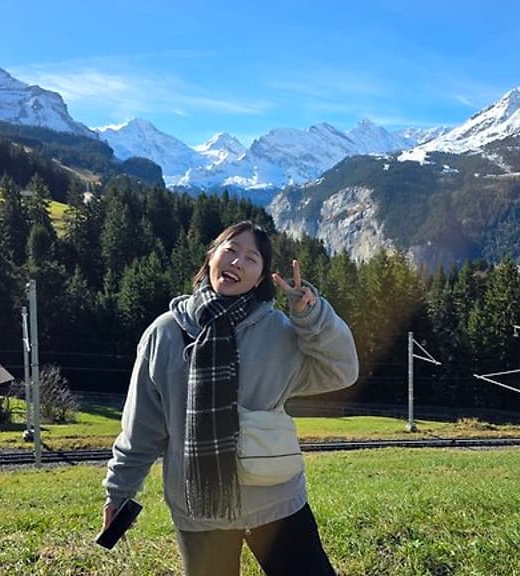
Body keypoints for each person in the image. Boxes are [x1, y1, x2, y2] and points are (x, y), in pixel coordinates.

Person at [102, 220, 359, 575]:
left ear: (261, 277)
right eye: (231, 250)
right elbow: (142, 428)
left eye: (252, 258)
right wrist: (119, 491)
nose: (238, 262)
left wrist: (312, 317)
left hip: (275, 501)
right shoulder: (165, 334)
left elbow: (342, 370)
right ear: (211, 257)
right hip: (200, 510)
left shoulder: (279, 332)